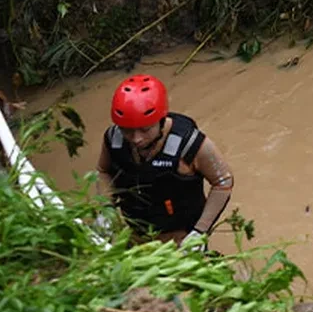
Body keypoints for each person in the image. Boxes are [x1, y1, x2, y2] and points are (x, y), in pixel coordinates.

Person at [95, 74, 234, 248]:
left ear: (160, 120)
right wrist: (106, 208)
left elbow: (223, 181)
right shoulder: (114, 139)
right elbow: (103, 171)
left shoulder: (189, 144)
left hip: (181, 237)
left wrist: (200, 232)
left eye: (145, 130)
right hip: (137, 233)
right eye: (128, 130)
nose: (136, 139)